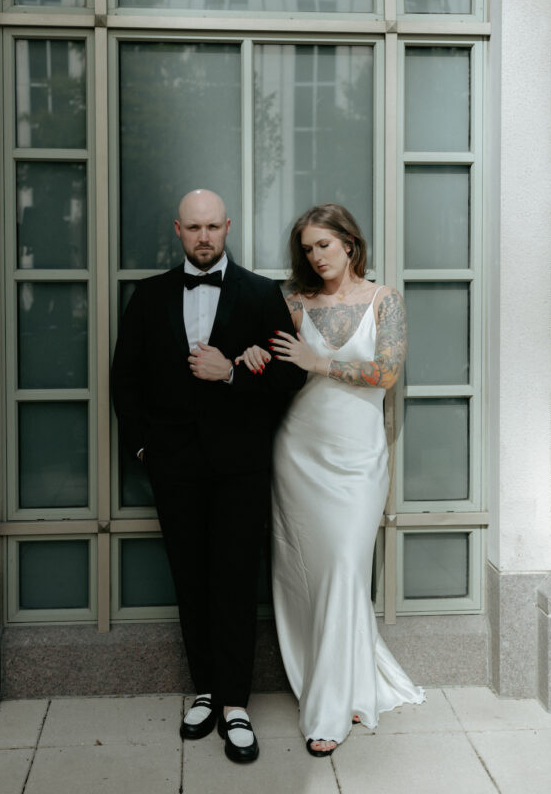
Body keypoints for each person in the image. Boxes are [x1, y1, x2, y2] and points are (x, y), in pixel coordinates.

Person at [111, 189, 304, 764]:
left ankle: (237, 705)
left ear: (227, 227)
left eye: (212, 227)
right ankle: (205, 691)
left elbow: (288, 380)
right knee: (190, 578)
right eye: (193, 227)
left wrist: (229, 376)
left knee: (235, 582)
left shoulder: (262, 294)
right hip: (173, 466)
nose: (203, 237)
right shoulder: (149, 297)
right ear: (178, 229)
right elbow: (126, 380)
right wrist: (143, 447)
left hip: (240, 466)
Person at [236, 203, 425, 756]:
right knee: (311, 577)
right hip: (299, 454)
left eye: (324, 244)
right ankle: (333, 691)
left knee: (345, 566)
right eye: (308, 248)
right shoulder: (292, 303)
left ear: (350, 243)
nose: (316, 256)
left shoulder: (384, 300)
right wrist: (251, 354)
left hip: (360, 458)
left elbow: (385, 374)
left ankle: (333, 707)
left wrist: (319, 362)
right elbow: (267, 366)